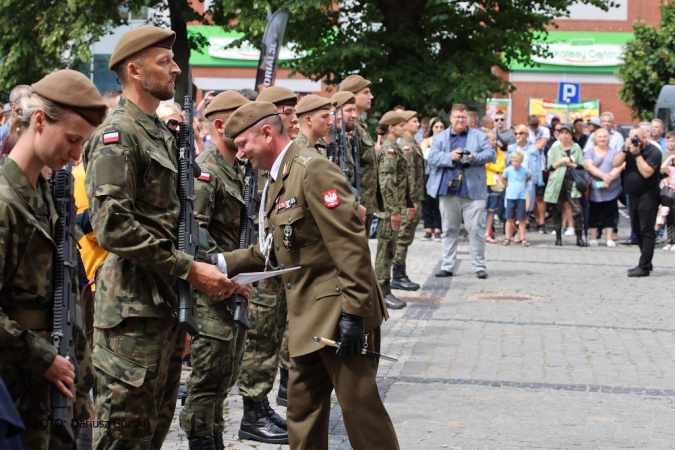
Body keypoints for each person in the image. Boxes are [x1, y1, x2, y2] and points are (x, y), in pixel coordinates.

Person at [83, 25, 237, 448]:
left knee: (151, 435)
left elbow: (176, 220)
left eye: (173, 59)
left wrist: (224, 269)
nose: (175, 68)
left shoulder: (158, 133)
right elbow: (112, 226)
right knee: (123, 437)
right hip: (131, 315)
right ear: (134, 70)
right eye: (163, 61)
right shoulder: (118, 135)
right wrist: (190, 270)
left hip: (164, 307)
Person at [221, 101, 400, 450]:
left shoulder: (312, 170)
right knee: (302, 411)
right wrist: (221, 263)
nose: (241, 154)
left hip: (340, 314)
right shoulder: (277, 179)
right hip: (308, 320)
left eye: (243, 144)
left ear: (267, 133)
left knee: (360, 411)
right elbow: (273, 250)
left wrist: (355, 314)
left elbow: (350, 245)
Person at [0, 69, 104, 449]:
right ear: (39, 121)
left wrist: (82, 388)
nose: (77, 155)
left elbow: (66, 300)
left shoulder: (47, 197)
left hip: (57, 390)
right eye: (73, 140)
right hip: (14, 394)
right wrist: (42, 356)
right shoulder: (5, 204)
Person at [179, 91, 259, 449]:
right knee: (207, 378)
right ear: (219, 124)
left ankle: (214, 438)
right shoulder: (206, 170)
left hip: (234, 289)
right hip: (212, 290)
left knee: (225, 375)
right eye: (239, 119)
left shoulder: (240, 170)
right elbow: (194, 232)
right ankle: (201, 440)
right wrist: (227, 271)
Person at [238, 85, 296, 441]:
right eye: (285, 110)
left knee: (271, 336)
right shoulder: (257, 156)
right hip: (257, 263)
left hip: (272, 262)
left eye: (292, 110)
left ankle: (260, 406)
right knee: (259, 338)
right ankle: (251, 411)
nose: (291, 116)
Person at [427, 103, 496, 279]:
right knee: (449, 229)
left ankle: (479, 266)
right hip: (448, 190)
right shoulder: (441, 137)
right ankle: (448, 266)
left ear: (468, 119)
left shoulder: (479, 136)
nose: (460, 120)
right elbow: (432, 157)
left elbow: (491, 154)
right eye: (457, 117)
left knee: (476, 229)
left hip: (474, 191)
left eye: (463, 117)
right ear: (451, 118)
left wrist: (474, 157)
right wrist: (450, 156)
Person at [613, 127, 663, 277]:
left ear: (645, 138)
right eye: (632, 138)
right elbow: (615, 163)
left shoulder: (654, 152)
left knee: (647, 230)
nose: (635, 142)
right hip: (632, 196)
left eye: (637, 139)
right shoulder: (628, 149)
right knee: (637, 230)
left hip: (648, 195)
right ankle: (646, 261)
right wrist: (624, 150)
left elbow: (647, 172)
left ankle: (644, 266)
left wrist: (636, 154)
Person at [375, 111, 410, 309]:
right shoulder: (388, 149)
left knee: (390, 249)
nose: (403, 127)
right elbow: (386, 183)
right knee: (385, 251)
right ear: (391, 127)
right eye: (400, 125)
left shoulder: (392, 148)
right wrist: (393, 211)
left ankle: (385, 290)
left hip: (391, 208)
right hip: (388, 210)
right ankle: (382, 291)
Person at [340, 75, 378, 233]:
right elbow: (346, 171)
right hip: (356, 206)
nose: (371, 96)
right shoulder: (349, 128)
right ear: (352, 96)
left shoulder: (359, 126)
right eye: (366, 92)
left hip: (365, 203)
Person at [392, 111, 425, 291]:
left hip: (416, 198)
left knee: (406, 237)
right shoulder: (406, 146)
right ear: (404, 124)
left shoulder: (412, 144)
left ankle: (400, 273)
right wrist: (410, 201)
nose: (418, 124)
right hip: (410, 200)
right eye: (414, 121)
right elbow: (407, 177)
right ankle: (398, 275)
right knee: (403, 238)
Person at [544, 124, 586, 246]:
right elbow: (550, 166)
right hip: (557, 181)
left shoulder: (576, 148)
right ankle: (558, 236)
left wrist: (571, 164)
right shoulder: (555, 148)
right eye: (562, 133)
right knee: (557, 209)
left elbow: (581, 165)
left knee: (577, 209)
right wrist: (561, 161)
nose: (564, 135)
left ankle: (579, 236)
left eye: (567, 133)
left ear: (571, 135)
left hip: (572, 181)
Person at [583, 128, 623, 247]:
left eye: (604, 137)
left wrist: (610, 177)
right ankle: (593, 237)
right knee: (594, 212)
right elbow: (589, 166)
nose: (602, 139)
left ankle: (609, 237)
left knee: (610, 212)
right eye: (599, 137)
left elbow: (619, 166)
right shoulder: (589, 152)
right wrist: (604, 176)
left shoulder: (615, 152)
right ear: (595, 139)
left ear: (608, 139)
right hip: (595, 187)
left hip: (611, 187)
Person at [507, 124, 542, 230]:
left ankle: (521, 230)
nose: (518, 135)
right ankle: (514, 229)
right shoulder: (512, 148)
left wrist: (538, 180)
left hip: (528, 180)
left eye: (520, 133)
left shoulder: (533, 149)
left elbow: (538, 166)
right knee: (513, 205)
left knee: (526, 206)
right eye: (516, 133)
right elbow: (507, 165)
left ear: (526, 135)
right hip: (514, 181)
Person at [420, 117, 445, 241]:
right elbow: (422, 156)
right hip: (428, 174)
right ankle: (428, 228)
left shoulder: (447, 141)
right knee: (427, 203)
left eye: (441, 127)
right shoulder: (427, 141)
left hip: (441, 174)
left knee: (439, 203)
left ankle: (438, 228)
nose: (439, 129)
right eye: (436, 127)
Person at [501, 150, 531, 246]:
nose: (515, 163)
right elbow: (503, 178)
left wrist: (524, 183)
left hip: (521, 197)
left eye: (517, 161)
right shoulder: (508, 170)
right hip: (510, 196)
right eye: (513, 161)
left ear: (521, 161)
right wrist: (507, 184)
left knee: (521, 219)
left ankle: (522, 237)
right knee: (509, 218)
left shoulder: (524, 170)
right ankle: (507, 237)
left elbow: (529, 176)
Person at [527, 115, 549, 235]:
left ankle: (542, 222)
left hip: (539, 166)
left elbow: (539, 146)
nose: (534, 130)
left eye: (536, 127)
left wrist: (531, 146)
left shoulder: (544, 130)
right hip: (528, 167)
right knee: (530, 195)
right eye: (532, 127)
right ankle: (534, 220)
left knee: (540, 196)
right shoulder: (526, 131)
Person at [484, 130, 505, 243]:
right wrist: (493, 166)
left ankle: (487, 233)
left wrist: (492, 167)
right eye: (492, 140)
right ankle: (479, 233)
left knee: (491, 210)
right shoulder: (482, 150)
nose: (495, 142)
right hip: (484, 182)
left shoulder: (498, 151)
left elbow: (501, 166)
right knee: (481, 209)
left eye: (495, 139)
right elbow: (484, 163)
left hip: (494, 183)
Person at [658, 150, 675, 250]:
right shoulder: (671, 169)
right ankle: (670, 241)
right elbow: (663, 167)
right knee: (670, 219)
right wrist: (670, 157)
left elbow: (670, 181)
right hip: (670, 197)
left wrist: (671, 182)